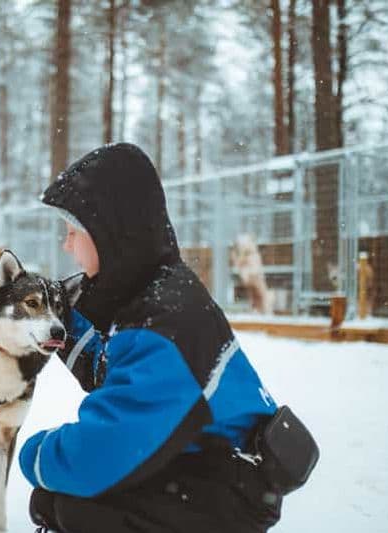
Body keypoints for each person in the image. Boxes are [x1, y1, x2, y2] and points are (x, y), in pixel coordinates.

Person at [19, 144, 283, 532]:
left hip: (227, 494)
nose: (67, 244)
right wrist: (68, 328)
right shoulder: (160, 292)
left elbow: (102, 452)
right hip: (220, 472)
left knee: (72, 506)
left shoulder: (161, 321)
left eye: (74, 231)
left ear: (110, 236)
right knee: (65, 501)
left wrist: (34, 455)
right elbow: (122, 377)